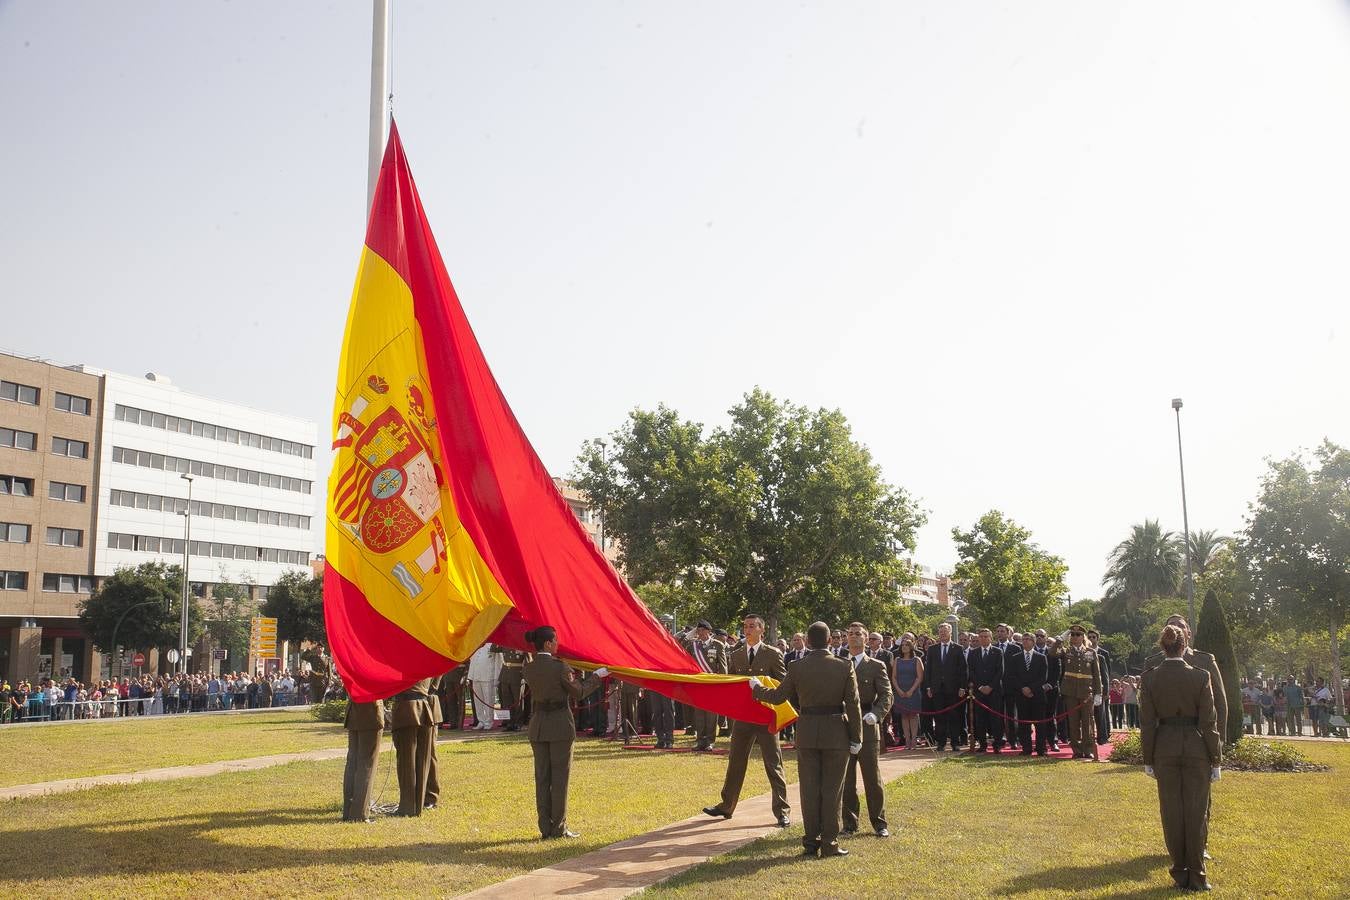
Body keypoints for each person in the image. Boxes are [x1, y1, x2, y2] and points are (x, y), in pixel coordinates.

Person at [751, 621, 862, 858]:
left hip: (808, 731)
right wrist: (856, 737)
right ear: (830, 640)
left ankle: (811, 842)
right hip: (836, 732)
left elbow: (778, 697)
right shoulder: (844, 666)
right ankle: (829, 843)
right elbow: (853, 704)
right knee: (832, 790)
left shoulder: (797, 666)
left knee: (809, 790)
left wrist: (757, 689)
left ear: (808, 642)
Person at [1140, 624, 1221, 892]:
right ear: (1184, 646)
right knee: (1196, 812)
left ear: (1162, 647)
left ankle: (1179, 871)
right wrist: (1216, 758)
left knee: (1171, 812)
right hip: (1196, 748)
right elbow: (1209, 722)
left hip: (1164, 747)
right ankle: (1197, 874)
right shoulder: (1200, 676)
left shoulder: (1150, 678)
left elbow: (1147, 723)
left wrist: (1148, 758)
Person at [703, 613, 790, 827]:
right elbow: (733, 683)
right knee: (736, 760)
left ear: (761, 629)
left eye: (752, 626)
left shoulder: (772, 654)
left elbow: (783, 684)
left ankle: (782, 810)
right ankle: (727, 805)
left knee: (773, 763)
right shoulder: (737, 654)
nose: (747, 630)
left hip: (765, 715)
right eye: (745, 626)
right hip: (743, 716)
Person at [521, 626, 606, 839]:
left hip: (538, 726)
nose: (558, 644)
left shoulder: (529, 667)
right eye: (555, 640)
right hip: (559, 725)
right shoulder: (559, 667)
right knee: (559, 778)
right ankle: (558, 827)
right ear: (548, 643)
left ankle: (545, 827)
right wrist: (597, 676)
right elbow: (579, 692)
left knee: (542, 778)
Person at [842, 622, 891, 837]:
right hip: (844, 727)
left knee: (872, 779)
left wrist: (876, 714)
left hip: (868, 725)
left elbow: (887, 694)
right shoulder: (840, 664)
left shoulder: (876, 665)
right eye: (850, 634)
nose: (854, 637)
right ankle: (849, 824)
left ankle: (879, 823)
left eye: (858, 634)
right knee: (847, 780)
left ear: (866, 638)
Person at [390, 678, 436, 817]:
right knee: (423, 761)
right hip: (424, 707)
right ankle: (418, 805)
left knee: (406, 761)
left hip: (405, 707)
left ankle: (407, 807)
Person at [1056, 625, 1102, 759]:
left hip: (1086, 693)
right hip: (1070, 693)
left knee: (1087, 722)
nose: (1075, 637)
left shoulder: (1091, 652)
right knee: (1073, 723)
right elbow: (1052, 653)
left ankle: (1088, 749)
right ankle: (1076, 750)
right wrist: (1061, 638)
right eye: (1073, 634)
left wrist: (1098, 693)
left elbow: (1096, 674)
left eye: (1078, 634)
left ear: (1083, 637)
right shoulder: (1066, 651)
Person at [923, 623, 968, 751]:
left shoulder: (958, 648)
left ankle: (955, 742)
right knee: (939, 717)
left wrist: (962, 687)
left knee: (954, 716)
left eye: (945, 631)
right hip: (937, 689)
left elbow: (963, 669)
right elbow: (928, 669)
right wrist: (928, 687)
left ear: (950, 633)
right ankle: (941, 743)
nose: (942, 633)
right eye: (940, 631)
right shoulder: (933, 649)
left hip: (953, 689)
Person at [684, 621, 727, 751]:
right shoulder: (694, 645)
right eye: (698, 630)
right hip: (698, 684)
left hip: (712, 684)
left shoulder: (717, 644)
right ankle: (700, 740)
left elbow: (723, 666)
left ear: (709, 631)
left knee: (711, 715)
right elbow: (681, 646)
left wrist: (722, 683)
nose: (700, 633)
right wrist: (690, 634)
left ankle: (710, 741)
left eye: (703, 630)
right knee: (699, 714)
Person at [1005, 632, 1050, 755]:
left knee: (1040, 724)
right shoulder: (1015, 658)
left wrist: (1031, 689)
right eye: (1023, 639)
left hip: (1037, 695)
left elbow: (1043, 677)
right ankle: (1026, 748)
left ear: (1033, 642)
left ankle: (1041, 748)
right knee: (1024, 724)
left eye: (1028, 639)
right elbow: (1012, 676)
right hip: (1021, 695)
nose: (1025, 641)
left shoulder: (1041, 657)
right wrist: (1023, 688)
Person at [342, 698, 384, 823]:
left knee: (353, 765)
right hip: (370, 712)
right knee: (367, 766)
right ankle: (359, 813)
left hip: (354, 712)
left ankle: (349, 811)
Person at [967, 628, 1005, 753]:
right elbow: (971, 671)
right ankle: (982, 744)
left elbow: (1000, 671)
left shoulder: (997, 652)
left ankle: (997, 744)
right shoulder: (973, 653)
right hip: (979, 692)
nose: (983, 639)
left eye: (986, 636)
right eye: (981, 636)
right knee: (980, 719)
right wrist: (980, 687)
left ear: (990, 638)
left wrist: (990, 687)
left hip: (994, 691)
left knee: (996, 719)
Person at [892, 637, 924, 749]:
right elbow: (894, 677)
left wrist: (911, 690)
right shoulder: (897, 660)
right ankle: (907, 740)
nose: (904, 647)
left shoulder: (917, 660)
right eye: (903, 645)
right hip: (900, 692)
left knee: (913, 715)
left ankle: (914, 740)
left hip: (913, 692)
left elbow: (920, 677)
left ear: (911, 647)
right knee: (904, 716)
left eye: (907, 645)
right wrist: (899, 690)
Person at [468, 643, 502, 731]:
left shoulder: (492, 646)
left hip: (488, 677)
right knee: (477, 701)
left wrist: (496, 678)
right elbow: (472, 661)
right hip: (476, 676)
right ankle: (481, 721)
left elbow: (498, 662)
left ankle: (488, 721)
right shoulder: (476, 645)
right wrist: (470, 676)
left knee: (488, 700)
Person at [496, 646, 528, 732]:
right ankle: (509, 723)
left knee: (518, 701)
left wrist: (524, 676)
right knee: (507, 701)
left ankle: (518, 723)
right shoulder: (505, 644)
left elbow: (528, 662)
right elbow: (494, 649)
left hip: (517, 675)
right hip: (505, 674)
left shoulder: (521, 644)